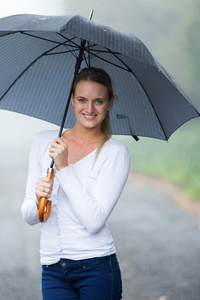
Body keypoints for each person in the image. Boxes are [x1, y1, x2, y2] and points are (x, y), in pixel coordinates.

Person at [21, 67, 130, 300]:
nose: (89, 109)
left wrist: (63, 167)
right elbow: (30, 216)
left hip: (96, 268)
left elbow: (94, 221)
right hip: (52, 268)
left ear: (110, 103)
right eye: (82, 100)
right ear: (72, 100)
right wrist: (39, 197)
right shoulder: (44, 141)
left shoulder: (115, 153)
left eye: (98, 101)